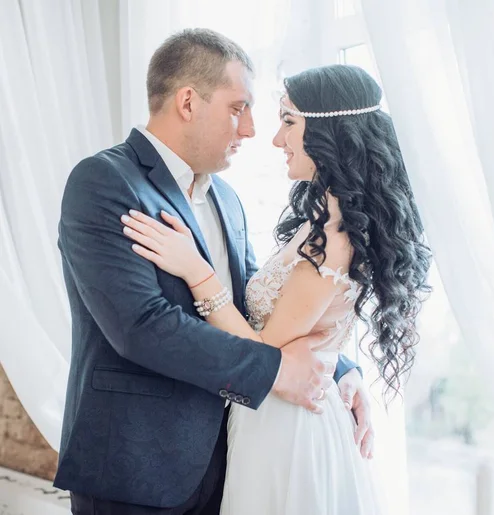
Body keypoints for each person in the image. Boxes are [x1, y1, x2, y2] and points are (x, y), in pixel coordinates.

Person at [54, 29, 369, 515]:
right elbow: (142, 328)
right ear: (187, 102)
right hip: (137, 465)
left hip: (228, 461)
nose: (249, 130)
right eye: (237, 108)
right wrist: (278, 372)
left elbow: (254, 305)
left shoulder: (226, 198)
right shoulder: (103, 183)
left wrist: (336, 368)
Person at [121, 64, 432, 514]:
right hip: (267, 420)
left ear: (330, 133)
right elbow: (285, 321)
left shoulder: (336, 239)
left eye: (289, 123)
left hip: (290, 429)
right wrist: (342, 367)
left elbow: (263, 352)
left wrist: (194, 269)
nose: (274, 139)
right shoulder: (319, 224)